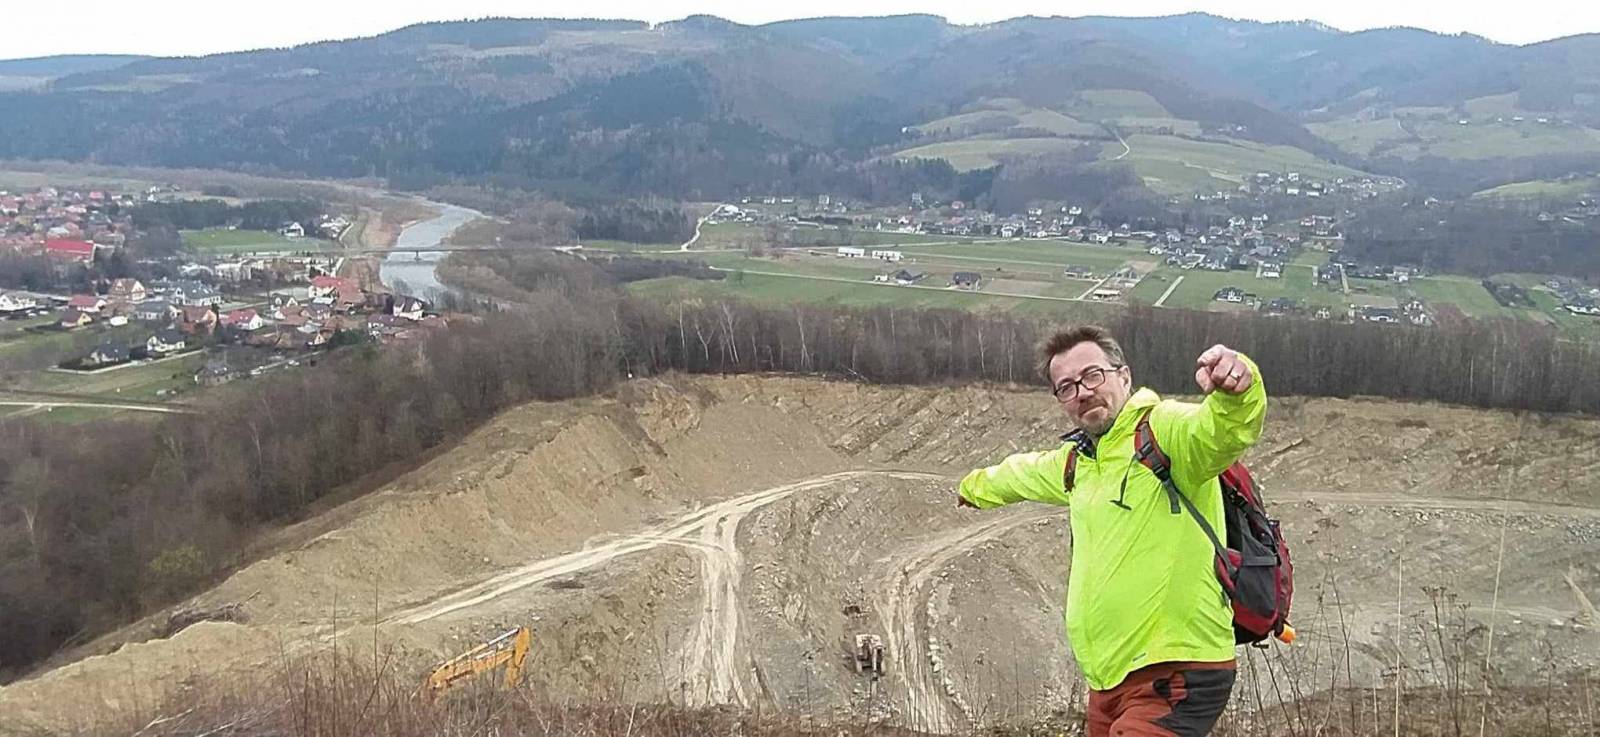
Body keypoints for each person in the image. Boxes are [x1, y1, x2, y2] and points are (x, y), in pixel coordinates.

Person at [957, 325, 1267, 736]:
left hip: (1175, 669)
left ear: (1124, 376)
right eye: (1066, 387)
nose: (1082, 392)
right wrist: (973, 488)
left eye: (1092, 375)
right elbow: (1022, 473)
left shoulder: (1164, 432)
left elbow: (1222, 430)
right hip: (1109, 682)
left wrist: (1237, 388)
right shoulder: (1080, 464)